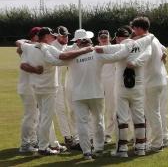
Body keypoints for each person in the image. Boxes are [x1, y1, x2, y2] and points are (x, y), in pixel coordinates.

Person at [38, 29, 154, 159]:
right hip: (96, 94)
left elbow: (54, 60)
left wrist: (43, 48)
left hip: (79, 95)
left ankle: (87, 151)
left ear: (79, 43)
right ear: (90, 42)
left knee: (82, 123)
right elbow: (116, 56)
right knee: (98, 121)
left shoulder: (71, 57)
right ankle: (98, 148)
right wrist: (131, 47)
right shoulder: (96, 54)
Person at [16, 27, 92, 155]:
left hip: (36, 88)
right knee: (46, 118)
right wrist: (85, 50)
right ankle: (43, 148)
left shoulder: (29, 47)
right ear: (45, 37)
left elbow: (18, 43)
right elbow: (61, 57)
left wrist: (28, 43)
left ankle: (41, 144)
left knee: (42, 118)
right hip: (48, 88)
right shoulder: (48, 48)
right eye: (51, 35)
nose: (54, 37)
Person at [94, 32, 154, 157]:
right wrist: (136, 62)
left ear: (120, 38)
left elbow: (110, 52)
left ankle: (122, 149)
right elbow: (149, 44)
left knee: (122, 118)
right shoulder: (144, 44)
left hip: (122, 88)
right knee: (139, 117)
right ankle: (140, 148)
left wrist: (92, 49)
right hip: (138, 87)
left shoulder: (122, 46)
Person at [129, 16, 168, 152]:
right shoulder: (154, 38)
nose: (133, 31)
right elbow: (165, 51)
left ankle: (157, 144)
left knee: (153, 113)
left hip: (151, 82)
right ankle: (161, 140)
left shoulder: (145, 41)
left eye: (134, 29)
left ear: (140, 28)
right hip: (159, 79)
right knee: (156, 112)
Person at [50, 26, 80, 149]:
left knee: (70, 109)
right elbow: (64, 55)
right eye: (63, 35)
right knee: (60, 110)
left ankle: (73, 136)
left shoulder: (63, 46)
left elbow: (69, 49)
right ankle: (68, 137)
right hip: (53, 84)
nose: (66, 37)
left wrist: (79, 43)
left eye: (67, 35)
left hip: (64, 84)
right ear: (57, 36)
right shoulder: (52, 46)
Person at [17, 27, 41, 153]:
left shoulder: (34, 47)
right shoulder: (28, 48)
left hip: (33, 87)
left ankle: (33, 141)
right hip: (27, 87)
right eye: (39, 34)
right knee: (30, 116)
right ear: (33, 36)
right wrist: (37, 70)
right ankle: (25, 144)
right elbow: (23, 65)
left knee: (35, 116)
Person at [97, 30, 116, 143]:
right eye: (102, 37)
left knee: (110, 108)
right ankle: (99, 133)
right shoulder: (94, 49)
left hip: (111, 81)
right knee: (98, 109)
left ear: (109, 37)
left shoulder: (115, 48)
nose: (104, 39)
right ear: (98, 39)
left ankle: (108, 134)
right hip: (97, 81)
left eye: (106, 37)